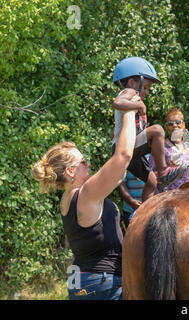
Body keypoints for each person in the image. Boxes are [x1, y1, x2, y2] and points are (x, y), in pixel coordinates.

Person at [31, 110, 137, 300]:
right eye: (83, 162)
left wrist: (120, 132)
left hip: (80, 282)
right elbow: (123, 156)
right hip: (102, 284)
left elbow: (118, 174)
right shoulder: (86, 195)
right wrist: (129, 110)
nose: (88, 164)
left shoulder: (67, 200)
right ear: (71, 171)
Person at [112, 56, 187, 202]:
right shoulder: (129, 92)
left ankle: (145, 212)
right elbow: (117, 103)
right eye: (145, 88)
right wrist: (139, 106)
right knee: (158, 130)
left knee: (152, 182)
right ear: (133, 82)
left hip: (133, 149)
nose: (147, 92)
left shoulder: (134, 98)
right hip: (124, 147)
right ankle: (163, 171)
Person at [147, 108, 189, 194]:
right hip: (168, 198)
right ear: (167, 127)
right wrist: (168, 168)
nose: (175, 125)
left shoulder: (187, 148)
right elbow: (150, 177)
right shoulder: (161, 147)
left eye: (178, 122)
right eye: (170, 124)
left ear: (183, 124)